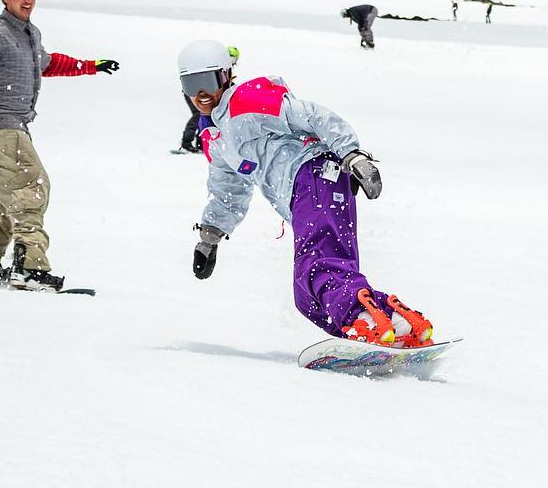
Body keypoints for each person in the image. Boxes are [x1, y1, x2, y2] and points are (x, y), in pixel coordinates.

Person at [181, 39, 433, 346]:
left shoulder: (246, 99)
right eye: (191, 84)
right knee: (308, 294)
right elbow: (228, 190)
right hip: (305, 193)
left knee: (317, 270)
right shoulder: (214, 137)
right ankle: (395, 323)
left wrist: (352, 155)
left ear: (225, 76)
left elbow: (313, 115)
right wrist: (210, 237)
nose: (201, 94)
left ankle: (364, 324)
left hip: (312, 176)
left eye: (207, 81)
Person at [0, 0, 118, 290]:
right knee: (31, 190)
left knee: (16, 196)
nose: (28, 0)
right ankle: (29, 267)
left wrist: (91, 66)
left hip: (13, 126)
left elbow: (46, 63)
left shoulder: (27, 34)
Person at [176, 44, 239, 153]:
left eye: (234, 59)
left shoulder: (225, 70)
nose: (232, 61)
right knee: (200, 114)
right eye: (230, 58)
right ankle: (188, 142)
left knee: (210, 114)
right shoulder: (211, 63)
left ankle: (202, 143)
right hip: (195, 92)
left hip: (205, 90)